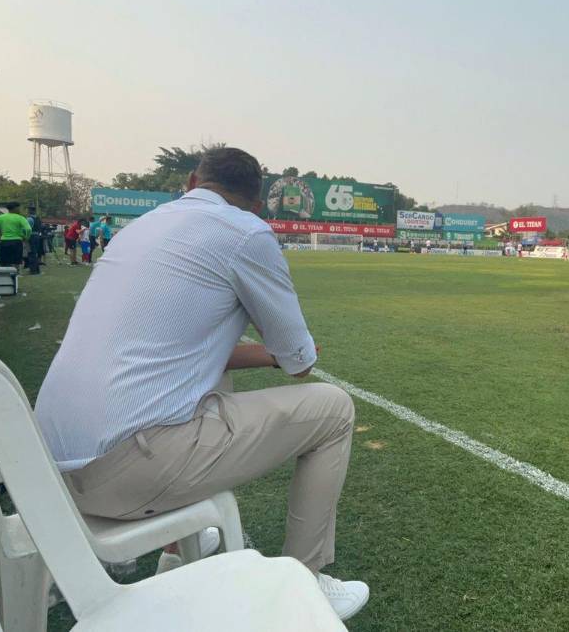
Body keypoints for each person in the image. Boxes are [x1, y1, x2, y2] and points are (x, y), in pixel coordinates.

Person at [35, 147, 369, 620]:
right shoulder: (248, 233)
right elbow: (300, 364)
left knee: (214, 373)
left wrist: (274, 356)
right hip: (124, 473)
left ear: (192, 182)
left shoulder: (142, 226)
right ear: (255, 204)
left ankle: (176, 549)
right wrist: (289, 354)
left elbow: (179, 351)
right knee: (334, 409)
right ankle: (306, 580)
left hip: (50, 471)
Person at [0, 202, 31, 267]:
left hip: (4, 242)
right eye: (19, 208)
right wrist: (27, 237)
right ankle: (15, 275)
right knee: (16, 263)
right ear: (15, 208)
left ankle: (5, 275)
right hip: (17, 242)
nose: (20, 210)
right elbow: (28, 229)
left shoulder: (0, 217)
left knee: (4, 263)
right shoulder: (20, 218)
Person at [25, 206, 44, 274]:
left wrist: (25, 237)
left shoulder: (29, 219)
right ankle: (37, 269)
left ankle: (33, 270)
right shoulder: (38, 219)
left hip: (31, 237)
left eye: (28, 210)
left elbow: (27, 229)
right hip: (37, 236)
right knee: (35, 253)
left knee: (31, 253)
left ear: (30, 211)